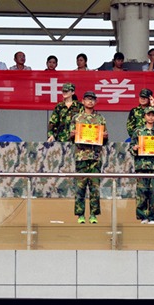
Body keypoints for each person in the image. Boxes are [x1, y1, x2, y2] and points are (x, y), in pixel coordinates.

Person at [69, 91, 108, 224]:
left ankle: (93, 214)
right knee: (80, 186)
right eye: (87, 99)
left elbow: (105, 138)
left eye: (92, 99)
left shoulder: (100, 118)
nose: (90, 102)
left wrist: (105, 136)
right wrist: (73, 134)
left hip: (95, 157)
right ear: (83, 101)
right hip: (81, 156)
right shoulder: (77, 118)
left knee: (94, 187)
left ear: (95, 102)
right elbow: (70, 138)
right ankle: (80, 214)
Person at [130, 106, 154, 224]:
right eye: (148, 115)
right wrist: (134, 148)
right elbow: (131, 148)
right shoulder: (138, 131)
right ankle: (143, 217)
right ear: (144, 116)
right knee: (142, 192)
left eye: (153, 115)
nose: (151, 117)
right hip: (142, 166)